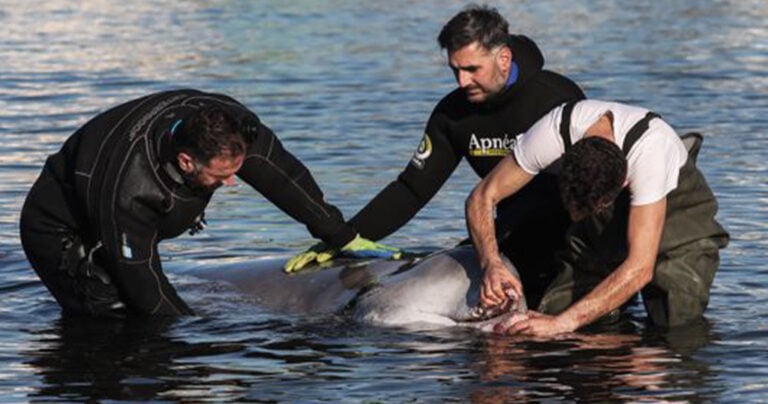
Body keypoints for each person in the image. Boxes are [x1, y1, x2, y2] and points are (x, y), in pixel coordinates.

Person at [286, 5, 585, 308]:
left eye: (472, 70)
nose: (461, 82)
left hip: (573, 234)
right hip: (509, 232)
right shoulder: (453, 114)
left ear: (504, 59)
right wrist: (344, 238)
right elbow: (412, 189)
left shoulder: (554, 97)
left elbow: (596, 181)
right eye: (455, 70)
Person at [19, 89, 397, 317]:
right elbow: (146, 288)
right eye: (219, 177)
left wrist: (342, 236)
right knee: (117, 315)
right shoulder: (129, 189)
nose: (230, 182)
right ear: (186, 162)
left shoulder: (234, 126)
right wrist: (196, 340)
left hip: (122, 205)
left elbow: (285, 180)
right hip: (61, 230)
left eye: (235, 170)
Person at [466, 99, 729, 336]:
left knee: (675, 321)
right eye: (571, 207)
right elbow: (481, 197)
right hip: (598, 227)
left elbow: (640, 268)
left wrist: (564, 323)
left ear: (623, 182)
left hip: (679, 219)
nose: (572, 215)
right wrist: (491, 261)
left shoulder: (650, 153)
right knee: (551, 314)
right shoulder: (552, 134)